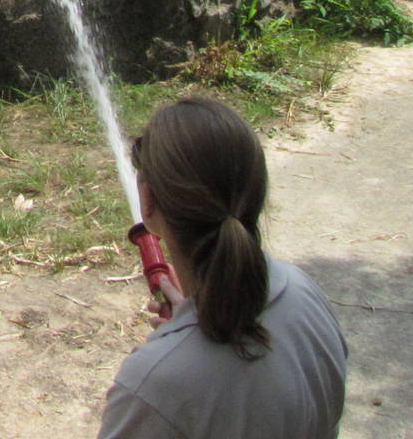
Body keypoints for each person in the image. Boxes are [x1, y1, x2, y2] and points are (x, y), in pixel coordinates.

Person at [98, 96, 348, 439]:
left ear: (148, 200)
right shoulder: (306, 295)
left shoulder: (154, 387)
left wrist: (182, 343)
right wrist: (193, 316)